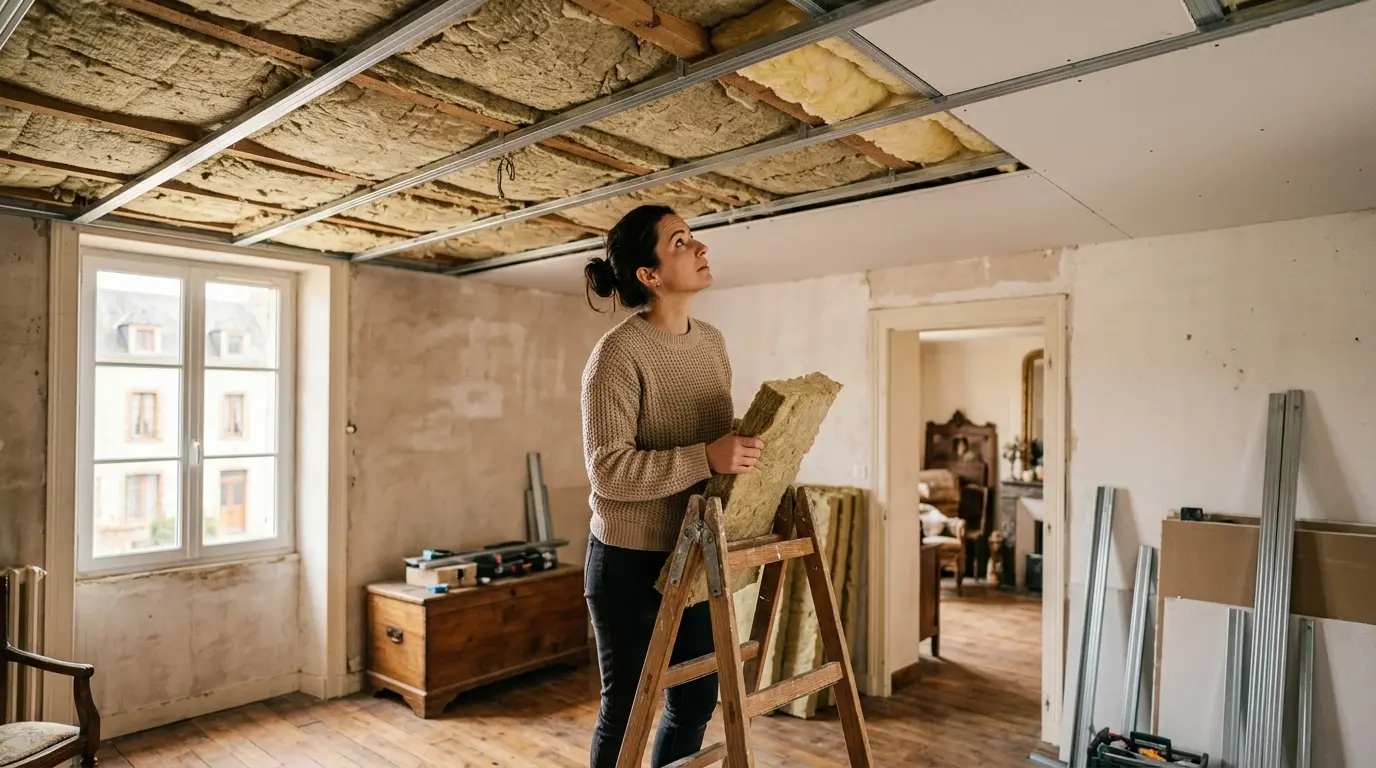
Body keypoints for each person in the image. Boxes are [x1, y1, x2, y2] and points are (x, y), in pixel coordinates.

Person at [579, 205, 763, 767]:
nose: (700, 247)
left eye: (692, 237)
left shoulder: (711, 343)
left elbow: (715, 450)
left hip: (693, 554)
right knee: (629, 709)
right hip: (629, 562)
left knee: (695, 700)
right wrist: (705, 456)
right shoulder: (616, 355)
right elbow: (608, 469)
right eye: (680, 241)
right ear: (649, 275)